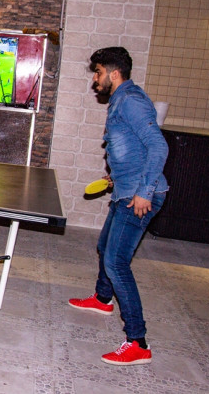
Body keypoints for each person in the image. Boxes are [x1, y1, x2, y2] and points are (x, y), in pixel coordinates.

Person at [68, 47, 169, 366]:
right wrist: (117, 176)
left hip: (138, 196)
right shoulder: (121, 99)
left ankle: (138, 342)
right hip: (126, 189)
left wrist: (145, 191)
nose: (95, 80)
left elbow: (158, 146)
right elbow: (133, 148)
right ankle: (102, 299)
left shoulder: (131, 101)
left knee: (116, 263)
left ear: (114, 74)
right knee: (104, 248)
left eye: (98, 73)